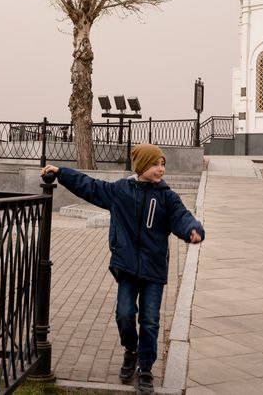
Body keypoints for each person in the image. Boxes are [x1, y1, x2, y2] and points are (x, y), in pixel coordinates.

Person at [41, 144, 205, 394]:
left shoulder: (166, 196)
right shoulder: (120, 191)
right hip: (127, 267)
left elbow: (181, 216)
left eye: (162, 164)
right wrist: (61, 172)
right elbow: (90, 186)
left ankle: (146, 368)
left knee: (150, 321)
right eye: (154, 164)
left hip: (153, 270)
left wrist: (192, 230)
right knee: (125, 315)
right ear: (141, 167)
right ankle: (131, 350)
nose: (160, 169)